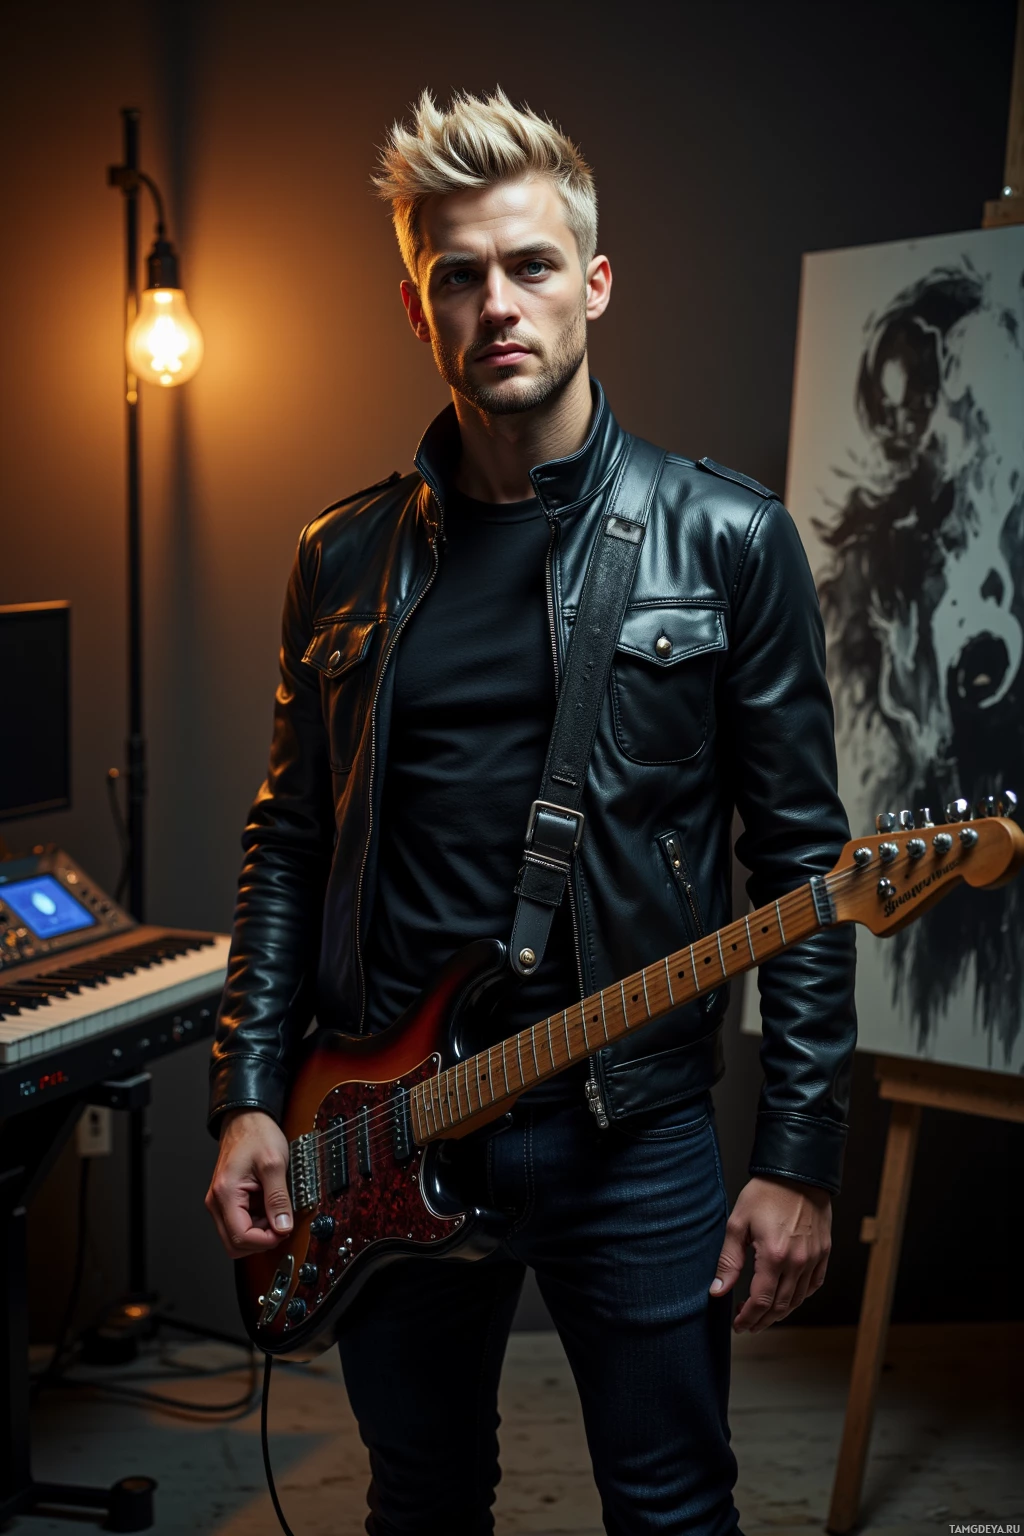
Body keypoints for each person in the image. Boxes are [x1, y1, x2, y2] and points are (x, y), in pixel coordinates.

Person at [205, 88, 856, 1536]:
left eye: (533, 264)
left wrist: (800, 1156)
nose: (498, 302)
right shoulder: (343, 557)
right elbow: (287, 844)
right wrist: (250, 1093)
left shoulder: (730, 540)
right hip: (385, 1127)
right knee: (422, 1501)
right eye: (460, 274)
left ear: (596, 284)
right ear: (415, 302)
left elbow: (808, 870)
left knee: (675, 1509)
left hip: (630, 1130)